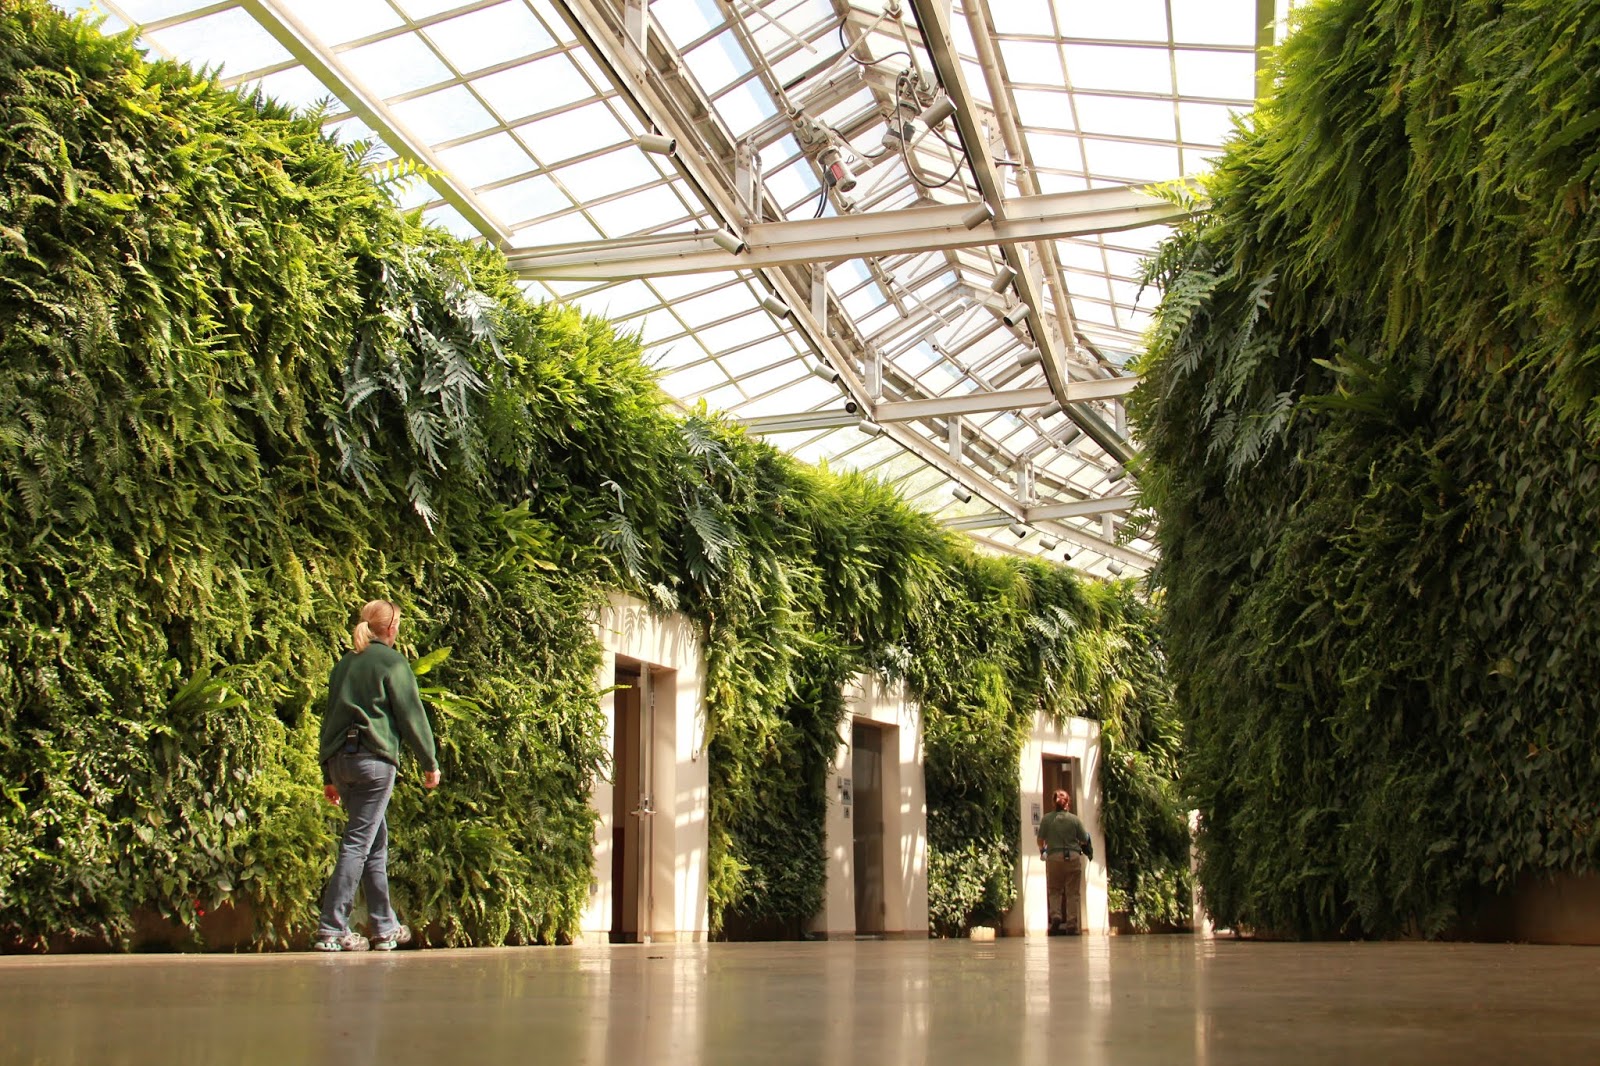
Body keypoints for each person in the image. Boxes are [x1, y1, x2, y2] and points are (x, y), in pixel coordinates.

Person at [314, 599, 442, 952]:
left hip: (342, 762)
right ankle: (332, 929)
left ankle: (385, 927)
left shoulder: (344, 665)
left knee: (374, 842)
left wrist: (328, 773)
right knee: (358, 842)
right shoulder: (392, 662)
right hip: (374, 763)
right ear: (391, 628)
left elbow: (330, 718)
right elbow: (411, 716)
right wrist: (429, 762)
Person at [1036, 788, 1091, 935]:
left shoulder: (1047, 819)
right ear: (1068, 803)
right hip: (1072, 857)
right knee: (1072, 892)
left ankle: (1056, 916)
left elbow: (1040, 840)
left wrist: (1043, 852)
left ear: (1054, 803)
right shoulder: (1074, 819)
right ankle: (1072, 923)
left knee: (1055, 890)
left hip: (1054, 858)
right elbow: (1085, 839)